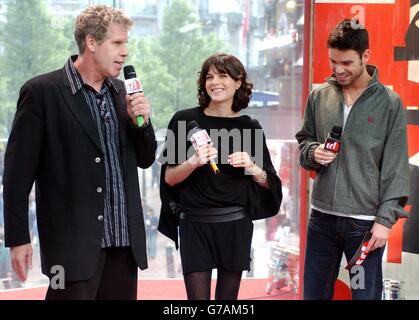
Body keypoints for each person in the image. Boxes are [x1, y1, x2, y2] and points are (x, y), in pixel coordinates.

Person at [2, 5, 157, 300]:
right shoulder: (41, 92)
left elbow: (147, 158)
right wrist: (18, 238)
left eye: (127, 43)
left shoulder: (124, 92)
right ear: (91, 42)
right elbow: (17, 175)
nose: (125, 52)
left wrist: (143, 123)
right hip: (69, 247)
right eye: (117, 43)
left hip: (124, 244)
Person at [295, 19, 409, 300]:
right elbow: (304, 140)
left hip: (364, 226)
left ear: (365, 57)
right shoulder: (320, 96)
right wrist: (313, 152)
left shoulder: (389, 103)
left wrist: (384, 221)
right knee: (314, 295)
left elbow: (395, 168)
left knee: (363, 295)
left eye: (346, 62)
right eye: (333, 61)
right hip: (322, 219)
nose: (338, 69)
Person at [158, 52, 282, 300]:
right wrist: (193, 161)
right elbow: (168, 179)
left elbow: (271, 182)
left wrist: (252, 167)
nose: (215, 82)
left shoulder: (250, 126)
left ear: (238, 82)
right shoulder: (183, 120)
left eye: (223, 76)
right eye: (209, 76)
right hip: (194, 224)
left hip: (236, 225)